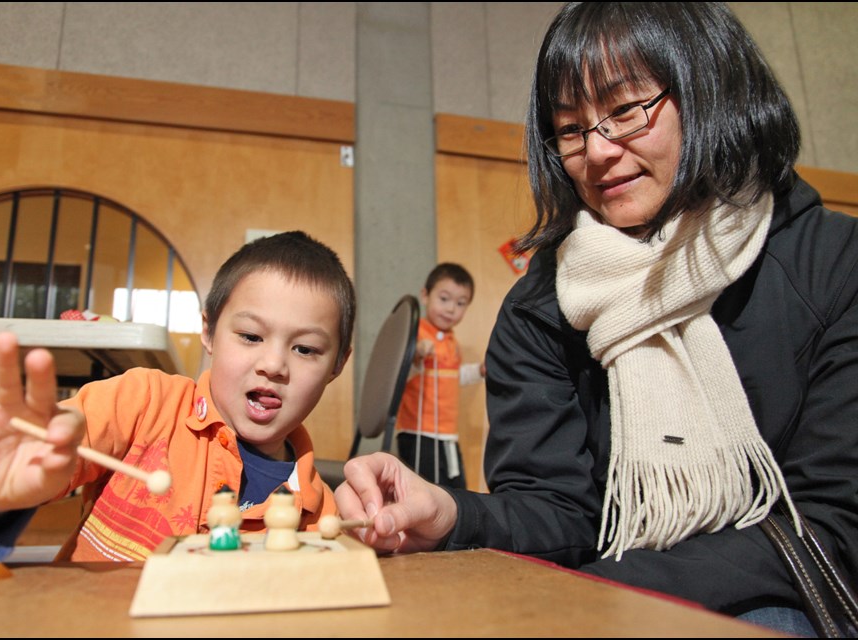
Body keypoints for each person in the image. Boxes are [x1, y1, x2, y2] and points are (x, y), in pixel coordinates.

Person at [335, 3, 858, 635]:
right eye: (570, 128)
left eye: (625, 110)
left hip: (779, 597)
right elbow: (557, 512)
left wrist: (603, 589)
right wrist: (450, 513)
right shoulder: (539, 311)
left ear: (712, 89)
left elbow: (830, 525)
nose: (599, 152)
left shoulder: (832, 262)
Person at [0, 230, 356, 561]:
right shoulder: (144, 402)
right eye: (250, 336)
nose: (275, 364)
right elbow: (23, 466)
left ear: (337, 364)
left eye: (305, 349)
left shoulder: (320, 512)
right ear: (208, 331)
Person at [395, 263, 484, 489]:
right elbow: (398, 377)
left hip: (446, 435)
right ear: (425, 296)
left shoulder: (452, 341)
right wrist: (415, 355)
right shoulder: (416, 332)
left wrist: (479, 371)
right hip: (418, 433)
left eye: (460, 303)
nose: (451, 308)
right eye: (444, 299)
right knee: (422, 495)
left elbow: (454, 377)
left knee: (454, 493)